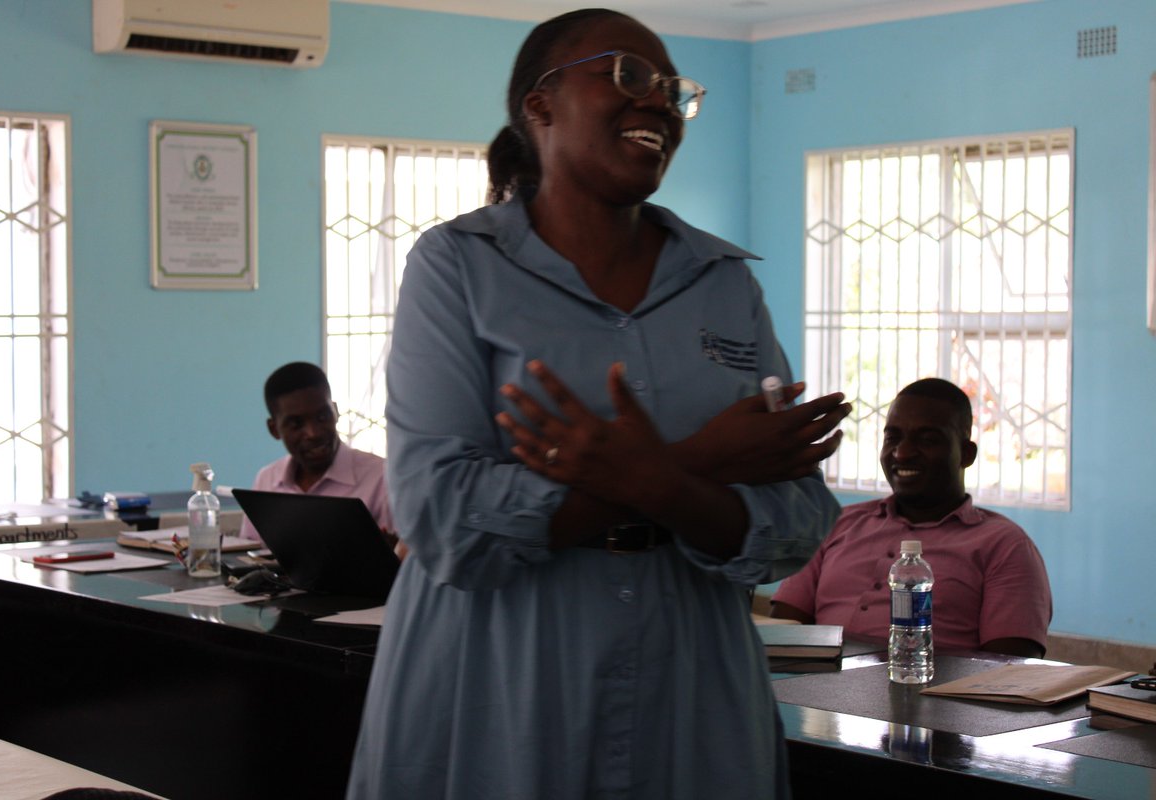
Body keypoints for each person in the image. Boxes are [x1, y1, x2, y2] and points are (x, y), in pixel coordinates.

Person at [347, 9, 851, 799]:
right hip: (500, 675)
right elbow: (441, 519)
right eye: (627, 75)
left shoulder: (723, 284)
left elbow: (798, 518)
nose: (658, 102)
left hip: (693, 680)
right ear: (539, 104)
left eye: (673, 91)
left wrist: (656, 482)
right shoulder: (457, 268)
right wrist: (695, 469)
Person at [770, 378, 1052, 657]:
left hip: (930, 697)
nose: (902, 453)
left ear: (966, 454)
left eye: (928, 440)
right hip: (816, 693)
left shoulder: (1005, 546)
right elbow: (783, 632)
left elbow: (1010, 673)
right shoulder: (837, 523)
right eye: (892, 438)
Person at [237, 362, 394, 542]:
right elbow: (249, 556)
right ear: (274, 429)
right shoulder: (267, 480)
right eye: (296, 424)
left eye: (322, 417)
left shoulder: (382, 477)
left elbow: (404, 557)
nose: (313, 433)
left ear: (335, 412)